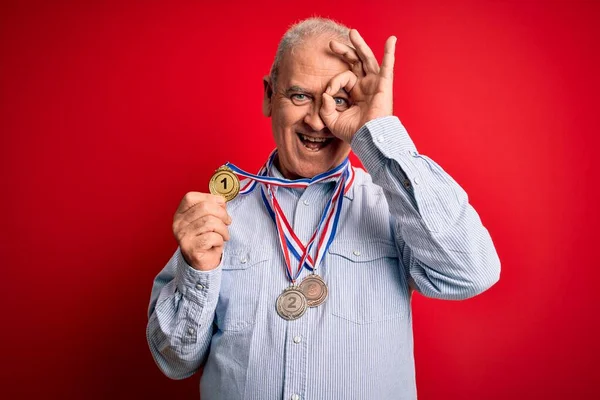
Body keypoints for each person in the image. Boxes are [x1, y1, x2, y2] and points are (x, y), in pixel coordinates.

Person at [146, 17, 500, 400]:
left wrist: (379, 129)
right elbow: (174, 361)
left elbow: (471, 272)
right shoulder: (217, 218)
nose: (317, 120)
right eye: (300, 96)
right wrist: (198, 268)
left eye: (339, 101)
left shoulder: (394, 204)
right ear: (269, 95)